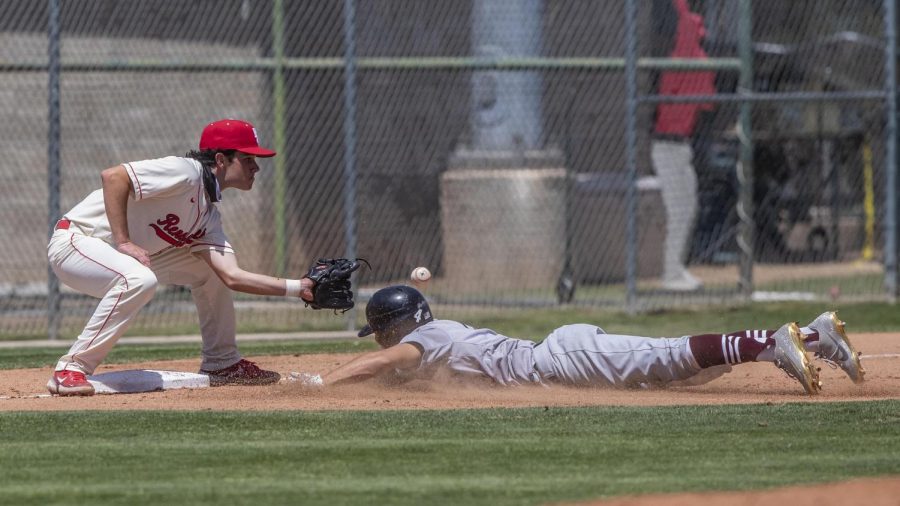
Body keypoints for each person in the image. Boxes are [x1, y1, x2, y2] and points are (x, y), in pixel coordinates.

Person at [46, 119, 338, 396]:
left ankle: (223, 362)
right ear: (221, 160)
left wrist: (300, 287)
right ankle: (71, 368)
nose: (256, 167)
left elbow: (232, 276)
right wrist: (123, 241)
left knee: (209, 271)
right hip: (77, 241)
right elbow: (114, 177)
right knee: (139, 279)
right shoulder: (185, 172)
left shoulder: (208, 215)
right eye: (247, 158)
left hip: (123, 256)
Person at [291, 285, 865, 395]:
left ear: (392, 328)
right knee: (678, 376)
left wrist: (320, 382)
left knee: (666, 357)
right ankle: (816, 335)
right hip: (560, 355)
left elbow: (380, 365)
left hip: (563, 360)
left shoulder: (422, 343)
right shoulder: (437, 339)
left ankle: (780, 343)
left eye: (378, 333)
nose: (378, 344)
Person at [651, 0, 716, 291]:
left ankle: (676, 268)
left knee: (688, 206)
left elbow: (707, 102)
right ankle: (670, 274)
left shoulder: (696, 61)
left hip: (682, 146)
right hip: (665, 146)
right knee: (679, 209)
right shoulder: (679, 59)